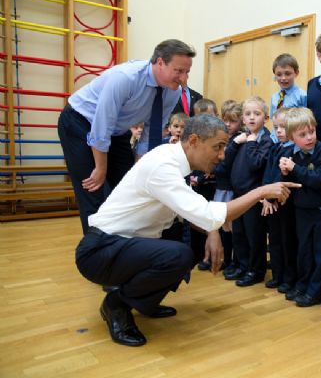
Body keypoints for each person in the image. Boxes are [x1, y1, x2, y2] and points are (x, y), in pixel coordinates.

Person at [76, 114, 300, 347]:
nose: (222, 155)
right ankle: (117, 304)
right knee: (178, 254)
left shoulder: (171, 158)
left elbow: (193, 211)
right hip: (100, 252)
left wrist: (211, 233)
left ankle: (141, 300)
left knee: (193, 242)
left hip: (123, 245)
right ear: (193, 141)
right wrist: (260, 192)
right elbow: (208, 215)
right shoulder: (164, 166)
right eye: (218, 147)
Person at [58, 39, 196, 234]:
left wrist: (141, 168)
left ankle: (123, 250)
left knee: (128, 187)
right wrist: (100, 167)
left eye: (187, 72)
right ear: (159, 62)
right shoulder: (125, 78)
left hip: (116, 131)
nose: (183, 78)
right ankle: (96, 252)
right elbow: (101, 126)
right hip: (80, 123)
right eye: (179, 71)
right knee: (94, 190)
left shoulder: (172, 92)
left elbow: (151, 133)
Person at [278, 108, 321, 306]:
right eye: (302, 135)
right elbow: (291, 182)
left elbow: (318, 179)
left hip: (320, 210)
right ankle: (303, 285)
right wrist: (285, 172)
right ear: (292, 137)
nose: (309, 137)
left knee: (320, 253)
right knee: (304, 251)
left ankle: (316, 291)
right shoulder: (291, 153)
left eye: (312, 131)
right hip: (301, 209)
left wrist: (294, 169)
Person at [225, 96, 272, 286]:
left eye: (257, 114)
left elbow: (256, 164)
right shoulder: (242, 138)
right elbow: (226, 161)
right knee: (239, 234)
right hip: (238, 195)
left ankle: (256, 270)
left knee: (254, 236)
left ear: (265, 117)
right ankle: (243, 266)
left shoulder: (266, 140)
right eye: (248, 114)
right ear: (243, 119)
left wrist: (251, 142)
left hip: (253, 197)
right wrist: (237, 143)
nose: (252, 118)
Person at [261, 108, 297, 292]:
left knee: (287, 241)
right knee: (274, 239)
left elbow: (284, 178)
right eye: (276, 127)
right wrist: (266, 197)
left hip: (285, 203)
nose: (279, 131)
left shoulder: (294, 151)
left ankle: (289, 278)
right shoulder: (276, 147)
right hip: (271, 201)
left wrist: (273, 197)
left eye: (283, 127)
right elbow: (268, 173)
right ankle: (277, 274)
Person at [215, 103, 243, 278]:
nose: (228, 124)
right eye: (225, 120)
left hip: (231, 188)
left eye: (232, 121)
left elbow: (225, 163)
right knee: (222, 226)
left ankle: (236, 261)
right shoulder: (222, 137)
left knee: (233, 228)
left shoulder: (239, 140)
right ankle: (226, 259)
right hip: (220, 187)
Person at [269, 53, 307, 141]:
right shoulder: (274, 97)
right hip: (276, 141)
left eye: (287, 74)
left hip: (293, 141)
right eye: (279, 74)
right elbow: (274, 120)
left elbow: (305, 122)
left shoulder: (302, 96)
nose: (283, 78)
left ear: (296, 73)